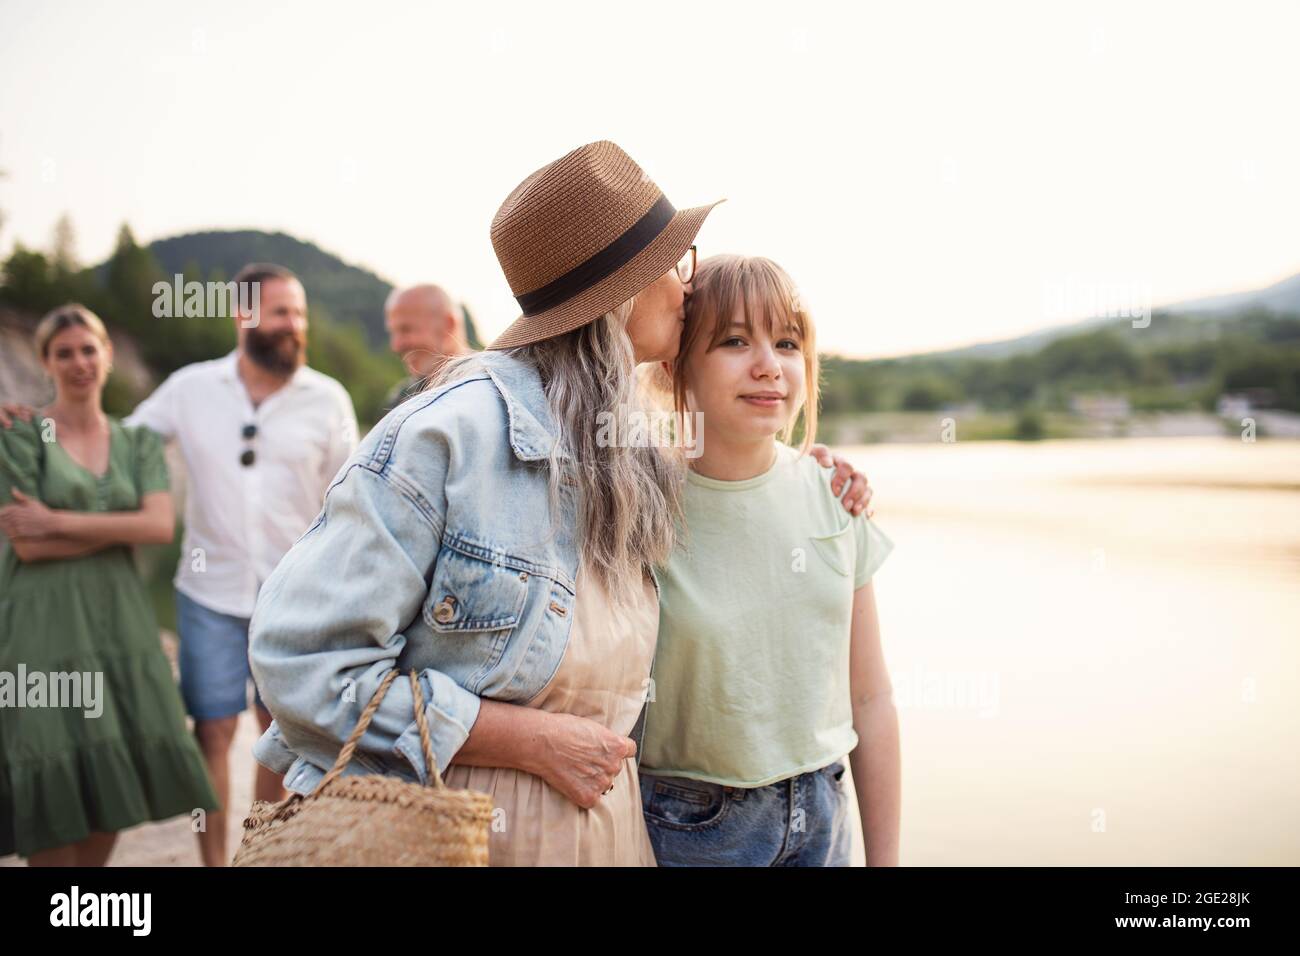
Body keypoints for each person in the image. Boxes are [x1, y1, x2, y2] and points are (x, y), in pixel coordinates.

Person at [245, 141, 873, 866]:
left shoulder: (623, 451)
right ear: (624, 289)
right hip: (456, 839)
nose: (687, 286)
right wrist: (527, 740)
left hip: (612, 840)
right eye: (677, 262)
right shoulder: (449, 434)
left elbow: (734, 497)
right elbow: (303, 663)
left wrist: (810, 474)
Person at [4, 264, 361, 864]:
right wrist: (37, 421)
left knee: (280, 735)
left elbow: (349, 504)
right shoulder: (190, 388)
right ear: (244, 317)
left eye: (299, 314)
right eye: (280, 313)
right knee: (213, 732)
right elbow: (112, 439)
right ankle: (214, 863)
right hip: (207, 593)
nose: (294, 326)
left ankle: (261, 853)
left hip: (295, 597)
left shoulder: (329, 400)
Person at [637, 255, 900, 866]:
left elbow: (871, 700)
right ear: (676, 364)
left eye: (787, 342)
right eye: (734, 340)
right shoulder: (636, 509)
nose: (769, 367)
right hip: (686, 825)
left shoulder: (834, 495)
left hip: (825, 813)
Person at [0, 305, 219, 865]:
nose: (79, 362)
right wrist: (109, 530)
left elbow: (156, 526)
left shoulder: (137, 442)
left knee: (112, 759)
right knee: (46, 752)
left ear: (108, 355)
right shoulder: (22, 433)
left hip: (119, 622)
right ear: (46, 363)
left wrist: (58, 521)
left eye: (89, 349)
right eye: (64, 352)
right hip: (40, 623)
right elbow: (28, 545)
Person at [381, 284, 470, 412]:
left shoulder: (491, 391)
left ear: (448, 326)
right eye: (393, 332)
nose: (396, 346)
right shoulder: (400, 398)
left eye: (406, 329)